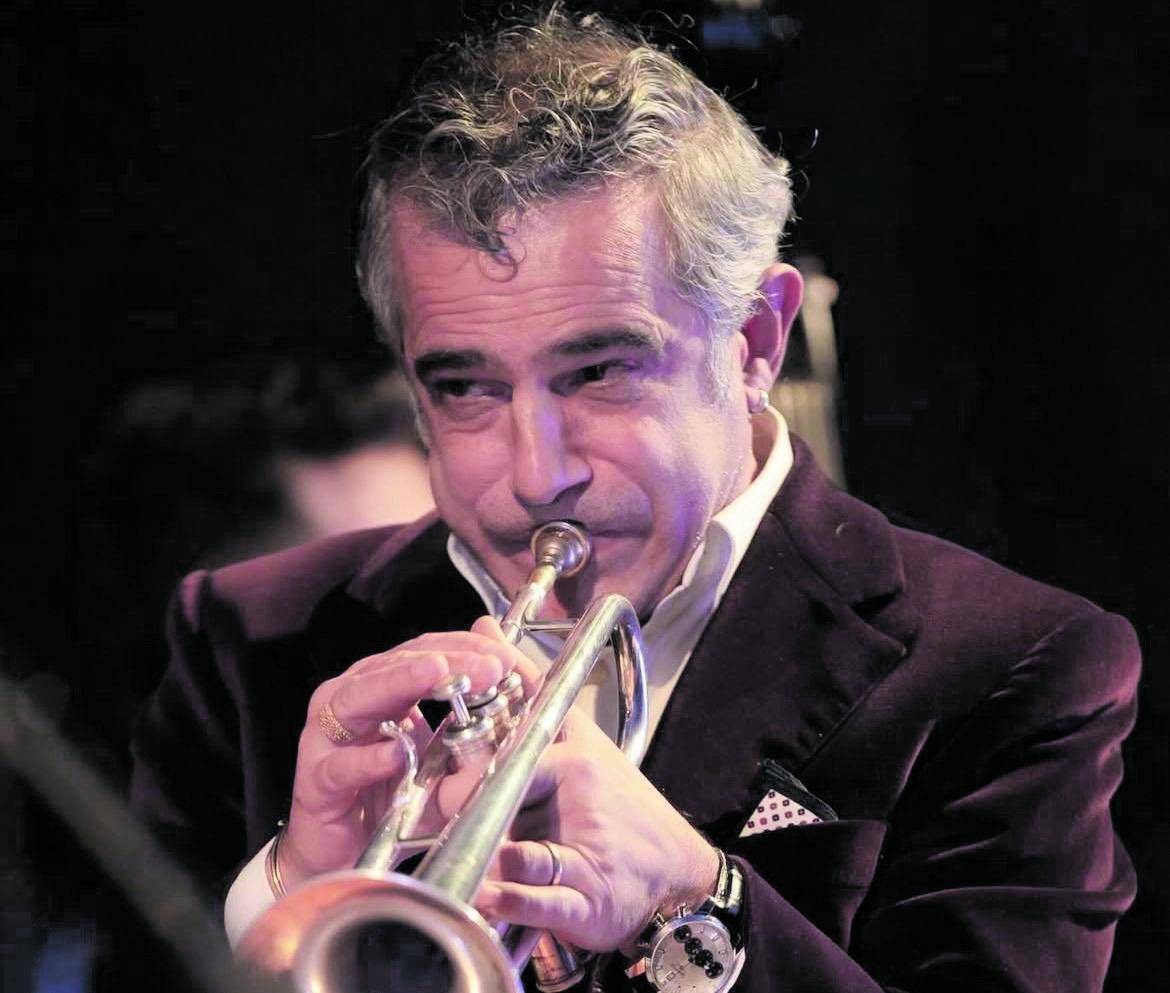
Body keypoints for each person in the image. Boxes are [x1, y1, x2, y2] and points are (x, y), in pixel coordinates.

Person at [129, 8, 1139, 992]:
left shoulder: (1013, 666)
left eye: (599, 371)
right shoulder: (247, 637)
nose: (538, 476)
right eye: (466, 387)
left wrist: (699, 902)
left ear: (756, 340)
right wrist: (287, 892)